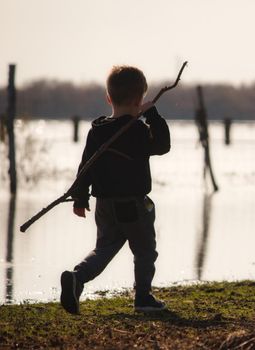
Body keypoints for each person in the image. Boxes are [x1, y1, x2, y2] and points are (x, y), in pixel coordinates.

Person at [60, 66, 170, 314]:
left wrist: (80, 198)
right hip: (133, 204)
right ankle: (143, 297)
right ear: (139, 100)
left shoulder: (97, 131)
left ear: (108, 98)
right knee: (144, 251)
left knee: (104, 249)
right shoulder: (137, 131)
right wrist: (152, 115)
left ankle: (77, 277)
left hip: (104, 205)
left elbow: (85, 166)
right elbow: (162, 145)